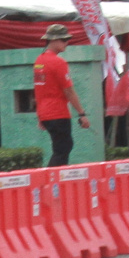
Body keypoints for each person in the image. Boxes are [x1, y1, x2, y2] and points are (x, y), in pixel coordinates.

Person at [33, 23, 90, 166]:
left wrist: (41, 115)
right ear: (53, 40)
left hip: (45, 113)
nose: (67, 43)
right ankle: (53, 183)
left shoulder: (39, 61)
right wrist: (82, 114)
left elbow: (39, 90)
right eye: (64, 40)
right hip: (58, 113)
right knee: (63, 149)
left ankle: (53, 181)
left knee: (60, 148)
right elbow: (69, 91)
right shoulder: (58, 62)